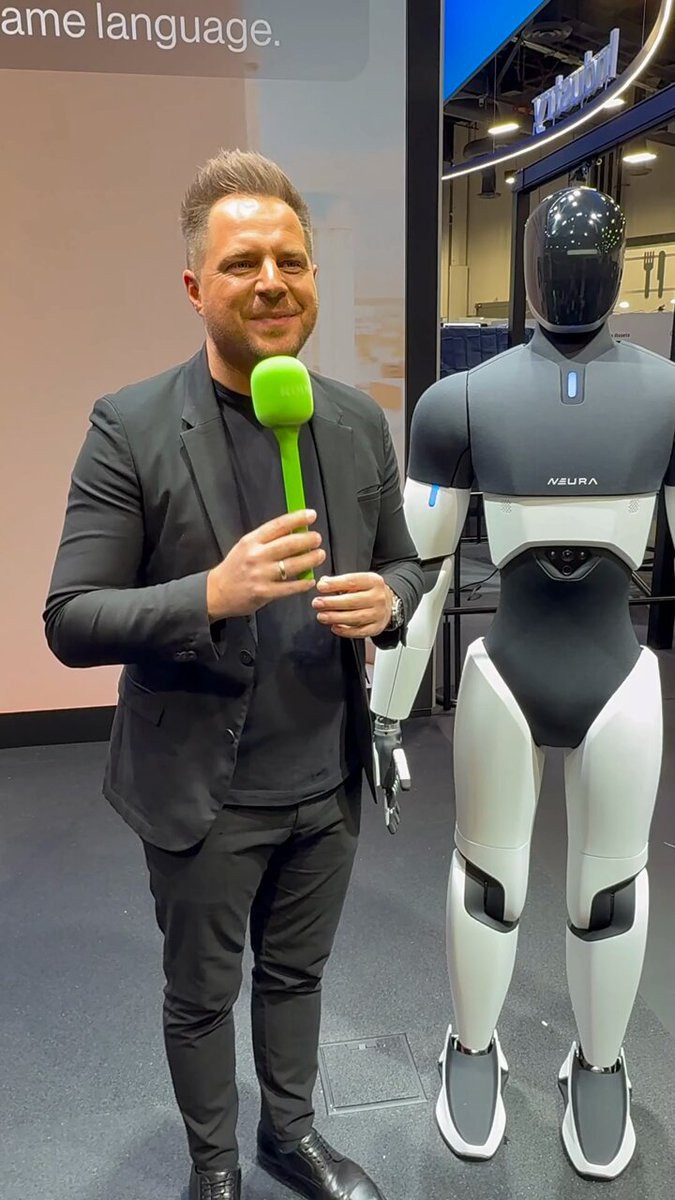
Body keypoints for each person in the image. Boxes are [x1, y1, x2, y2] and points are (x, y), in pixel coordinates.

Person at [44, 149, 423, 1200]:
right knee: (202, 992)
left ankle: (288, 1135)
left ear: (313, 278)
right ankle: (214, 1165)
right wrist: (210, 593)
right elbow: (70, 619)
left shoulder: (355, 421)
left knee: (297, 974)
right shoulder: (130, 426)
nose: (271, 283)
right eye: (243, 263)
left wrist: (391, 600)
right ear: (194, 286)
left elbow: (405, 563)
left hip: (327, 775)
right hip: (202, 791)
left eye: (290, 262)